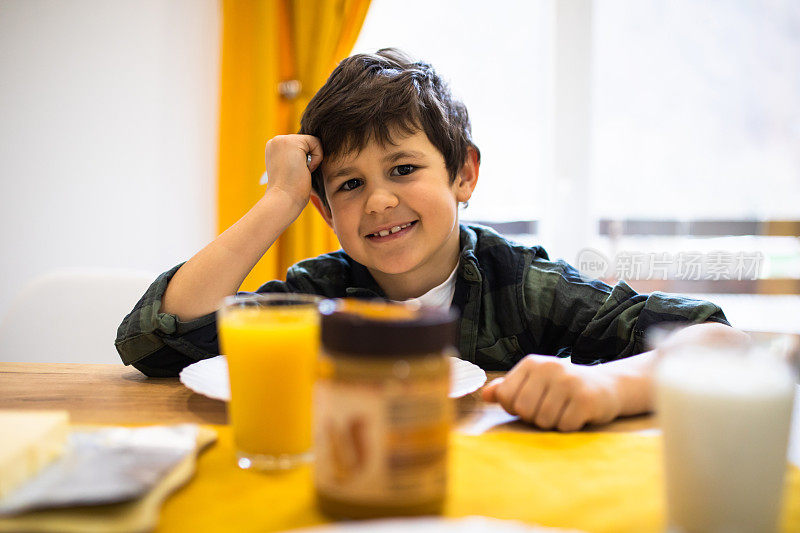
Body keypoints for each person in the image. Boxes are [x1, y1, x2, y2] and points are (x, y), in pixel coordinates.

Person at [116, 48, 739, 432]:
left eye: (404, 169)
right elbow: (157, 340)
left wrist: (606, 387)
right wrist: (279, 200)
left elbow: (717, 342)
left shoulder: (523, 285)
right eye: (350, 183)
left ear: (463, 173)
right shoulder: (318, 294)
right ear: (325, 209)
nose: (380, 200)